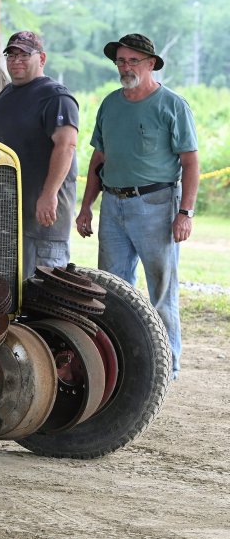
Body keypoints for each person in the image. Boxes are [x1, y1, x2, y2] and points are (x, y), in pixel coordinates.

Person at [75, 33, 199, 380]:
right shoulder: (110, 104)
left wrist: (185, 213)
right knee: (111, 290)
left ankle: (167, 367)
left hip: (157, 205)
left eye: (133, 61)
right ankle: (122, 364)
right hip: (113, 206)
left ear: (150, 64)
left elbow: (190, 163)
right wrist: (86, 207)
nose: (125, 67)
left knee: (161, 290)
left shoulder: (172, 105)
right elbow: (99, 158)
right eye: (120, 61)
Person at [0, 31, 79, 280]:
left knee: (42, 290)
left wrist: (49, 194)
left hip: (42, 218)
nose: (16, 61)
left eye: (24, 55)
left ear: (42, 58)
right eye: (11, 55)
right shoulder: (7, 94)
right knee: (9, 293)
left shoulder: (55, 96)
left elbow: (66, 146)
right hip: (7, 216)